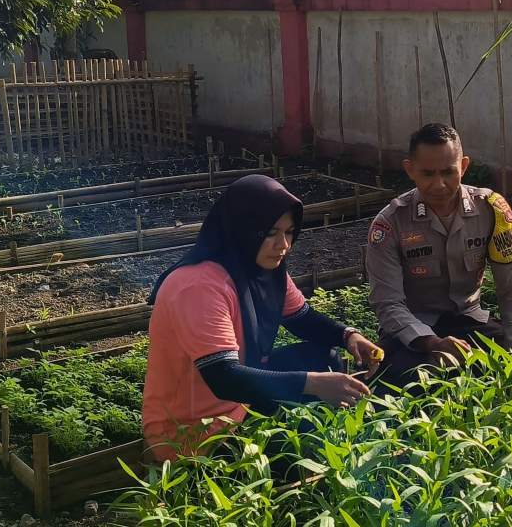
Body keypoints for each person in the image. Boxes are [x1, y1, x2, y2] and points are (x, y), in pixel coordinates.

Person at [142, 174, 380, 462]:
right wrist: (314, 384)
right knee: (295, 442)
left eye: (289, 232)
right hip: (192, 430)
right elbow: (223, 377)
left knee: (323, 356)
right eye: (270, 233)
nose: (284, 245)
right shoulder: (199, 286)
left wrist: (348, 335)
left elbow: (302, 319)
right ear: (243, 230)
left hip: (238, 405)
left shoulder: (261, 268)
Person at [366, 123, 512, 387]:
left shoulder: (492, 210)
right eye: (428, 174)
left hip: (469, 321)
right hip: (414, 330)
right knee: (406, 380)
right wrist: (432, 343)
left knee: (511, 362)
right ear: (410, 169)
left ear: (463, 166)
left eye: (448, 172)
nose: (439, 184)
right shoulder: (389, 224)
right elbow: (388, 303)